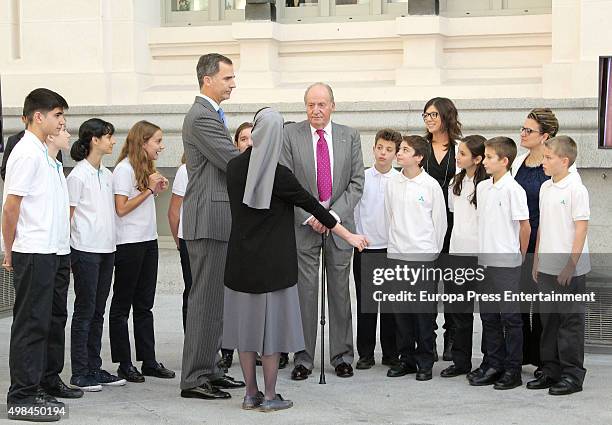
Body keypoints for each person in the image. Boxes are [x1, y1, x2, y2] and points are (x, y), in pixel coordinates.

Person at [224, 108, 368, 411]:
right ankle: (271, 395)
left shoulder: (234, 167)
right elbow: (318, 210)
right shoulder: (279, 175)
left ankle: (250, 394)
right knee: (272, 334)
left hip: (240, 262)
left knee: (247, 333)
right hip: (274, 266)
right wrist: (350, 237)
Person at [3, 88, 80, 423]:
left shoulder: (46, 155)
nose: (63, 122)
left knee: (53, 319)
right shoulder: (25, 154)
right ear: (39, 116)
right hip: (33, 251)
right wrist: (9, 250)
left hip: (56, 251)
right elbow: (11, 207)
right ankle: (22, 394)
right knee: (31, 323)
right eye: (57, 115)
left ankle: (46, 380)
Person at [281, 82, 364, 380]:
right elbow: (286, 181)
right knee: (305, 292)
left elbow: (357, 183)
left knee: (340, 292)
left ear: (332, 105)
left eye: (322, 104)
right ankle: (303, 358)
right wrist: (313, 215)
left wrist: (331, 216)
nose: (316, 110)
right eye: (311, 105)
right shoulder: (290, 135)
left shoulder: (349, 136)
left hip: (339, 224)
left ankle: (342, 355)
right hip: (304, 225)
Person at [180, 53, 245, 401]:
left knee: (217, 302)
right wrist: (265, 160)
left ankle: (210, 369)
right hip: (208, 220)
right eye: (228, 78)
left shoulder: (211, 114)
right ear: (208, 79)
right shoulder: (201, 116)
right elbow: (231, 160)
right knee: (205, 301)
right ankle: (194, 378)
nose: (233, 84)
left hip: (218, 219)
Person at [511, 108, 578, 379]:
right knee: (519, 301)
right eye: (523, 128)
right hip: (520, 241)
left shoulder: (559, 168)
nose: (522, 134)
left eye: (529, 130)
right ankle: (523, 353)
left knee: (542, 306)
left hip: (545, 241)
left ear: (545, 136)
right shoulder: (517, 162)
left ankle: (545, 360)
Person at [109, 120, 174, 383]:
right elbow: (121, 208)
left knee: (145, 304)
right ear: (143, 142)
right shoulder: (124, 170)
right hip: (128, 243)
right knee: (122, 304)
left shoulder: (144, 168)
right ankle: (125, 363)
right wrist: (148, 189)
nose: (161, 146)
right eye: (157, 141)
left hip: (148, 241)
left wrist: (154, 189)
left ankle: (148, 360)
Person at [528, 135, 590, 396]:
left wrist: (570, 265)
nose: (543, 161)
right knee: (549, 321)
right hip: (547, 268)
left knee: (570, 323)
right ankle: (550, 369)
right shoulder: (546, 187)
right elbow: (543, 225)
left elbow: (581, 229)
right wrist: (537, 259)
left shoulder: (576, 189)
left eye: (548, 158)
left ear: (564, 161)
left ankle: (572, 375)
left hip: (569, 270)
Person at [68, 118, 126, 391]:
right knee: (85, 310)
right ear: (94, 139)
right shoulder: (78, 176)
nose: (113, 141)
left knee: (98, 311)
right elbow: (68, 217)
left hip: (106, 250)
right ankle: (80, 372)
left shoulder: (107, 174)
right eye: (109, 136)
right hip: (85, 250)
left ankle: (94, 366)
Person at [469, 137, 530, 390]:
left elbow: (524, 228)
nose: (484, 160)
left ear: (504, 161)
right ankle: (493, 364)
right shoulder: (483, 188)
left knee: (510, 318)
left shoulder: (514, 190)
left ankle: (512, 369)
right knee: (489, 316)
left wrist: (520, 257)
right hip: (486, 263)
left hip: (506, 264)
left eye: (490, 157)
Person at [385, 135, 447, 381]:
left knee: (423, 314)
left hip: (422, 257)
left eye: (405, 150)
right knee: (401, 313)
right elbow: (390, 215)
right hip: (397, 255)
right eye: (399, 149)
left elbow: (439, 224)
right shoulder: (393, 183)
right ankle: (406, 359)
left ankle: (425, 361)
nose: (399, 153)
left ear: (419, 157)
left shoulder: (430, 186)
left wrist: (431, 253)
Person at [440, 135, 489, 378]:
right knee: (459, 312)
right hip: (457, 252)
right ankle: (461, 362)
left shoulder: (488, 185)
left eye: (462, 154)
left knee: (489, 313)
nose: (457, 157)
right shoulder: (454, 182)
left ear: (478, 159)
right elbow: (453, 215)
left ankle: (489, 362)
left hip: (482, 255)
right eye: (457, 152)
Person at [352, 129, 401, 370]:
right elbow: (354, 210)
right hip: (366, 248)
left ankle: (391, 353)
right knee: (367, 304)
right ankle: (366, 353)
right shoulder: (362, 178)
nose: (383, 153)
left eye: (389, 149)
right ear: (373, 149)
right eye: (380, 148)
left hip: (391, 249)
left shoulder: (400, 180)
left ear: (395, 153)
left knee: (390, 305)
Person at [422, 97, 462, 361]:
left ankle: (452, 339)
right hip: (424, 225)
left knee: (452, 286)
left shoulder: (459, 148)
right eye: (426, 115)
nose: (429, 119)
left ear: (447, 116)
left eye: (434, 114)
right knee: (426, 286)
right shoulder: (419, 147)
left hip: (453, 223)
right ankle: (428, 339)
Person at [217, 121, 254, 372]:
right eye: (243, 139)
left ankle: (252, 348)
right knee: (228, 302)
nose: (248, 144)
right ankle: (226, 351)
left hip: (255, 247)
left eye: (253, 139)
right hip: (230, 243)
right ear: (235, 144)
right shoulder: (231, 170)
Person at [1, 115, 63, 181]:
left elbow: (59, 169)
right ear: (24, 119)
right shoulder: (13, 140)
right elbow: (4, 171)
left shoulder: (52, 140)